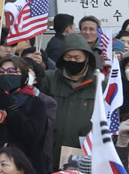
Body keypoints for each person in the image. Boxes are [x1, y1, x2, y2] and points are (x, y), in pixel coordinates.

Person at [42, 31, 100, 159]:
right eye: (68, 57)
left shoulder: (99, 83)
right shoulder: (49, 79)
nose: (72, 61)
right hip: (52, 148)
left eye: (77, 58)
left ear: (86, 58)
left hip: (84, 151)